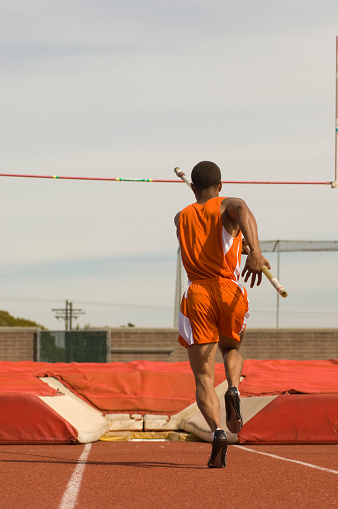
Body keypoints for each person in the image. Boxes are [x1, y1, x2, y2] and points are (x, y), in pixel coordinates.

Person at [174, 161, 270, 468]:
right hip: (229, 291)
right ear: (221, 184)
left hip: (198, 294)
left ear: (193, 187)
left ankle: (217, 432)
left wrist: (245, 247)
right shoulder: (228, 205)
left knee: (202, 376)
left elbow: (207, 246)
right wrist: (253, 249)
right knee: (232, 348)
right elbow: (241, 208)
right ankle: (232, 387)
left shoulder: (180, 218)